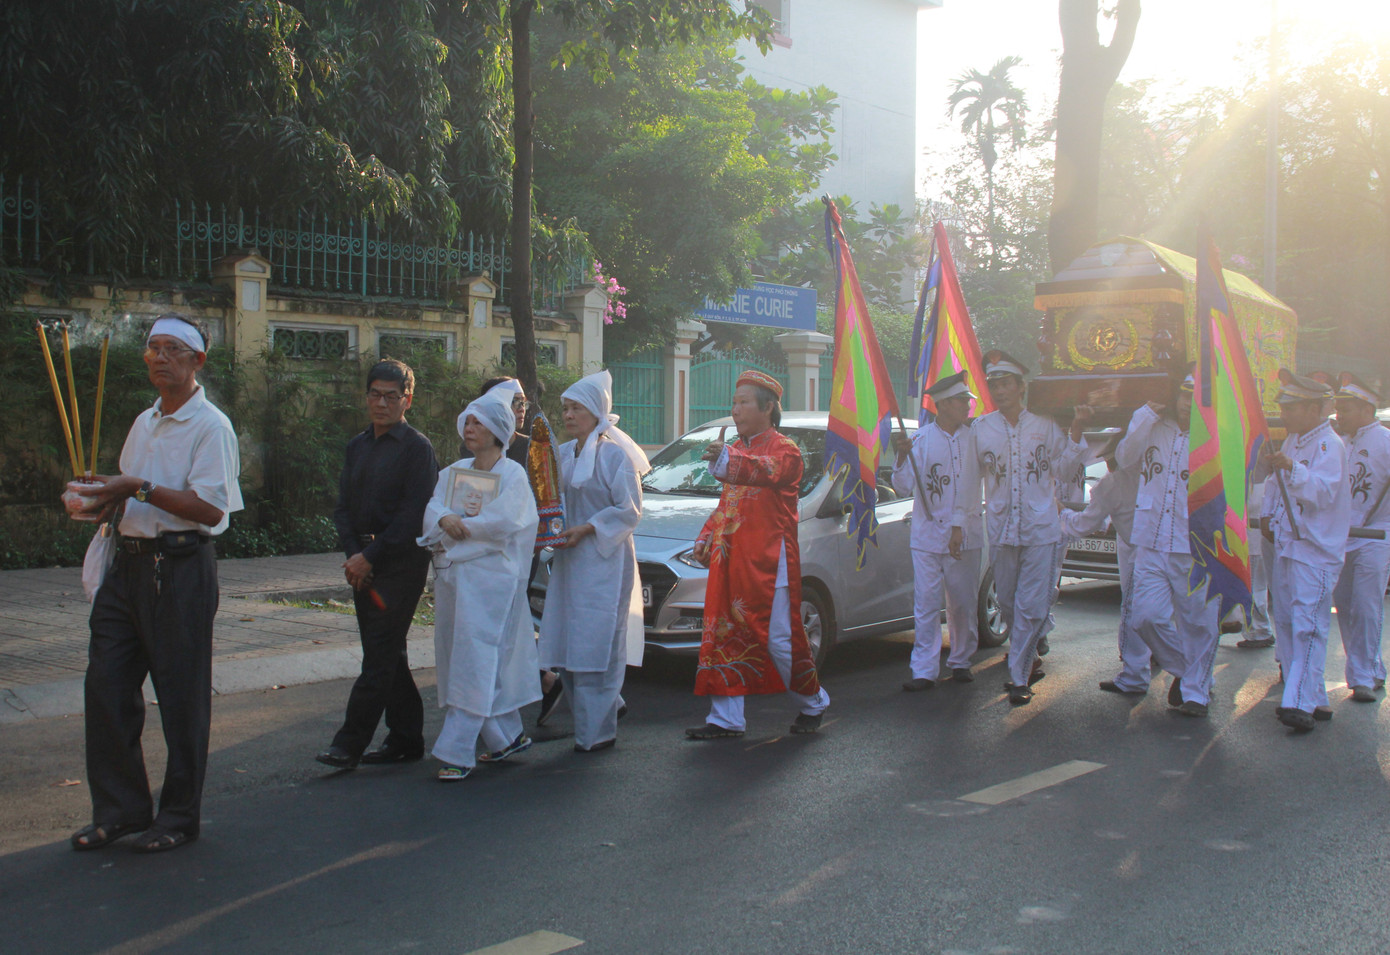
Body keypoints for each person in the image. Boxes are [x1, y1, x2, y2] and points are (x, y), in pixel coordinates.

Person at [69, 315, 243, 853]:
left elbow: (210, 508)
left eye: (172, 348)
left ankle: (178, 816)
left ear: (198, 361)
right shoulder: (144, 421)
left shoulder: (211, 426)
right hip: (128, 567)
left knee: (181, 697)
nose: (159, 357)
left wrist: (138, 487)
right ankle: (121, 810)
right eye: (153, 347)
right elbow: (128, 495)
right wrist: (98, 499)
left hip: (181, 568)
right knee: (106, 687)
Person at [685, 370, 831, 738]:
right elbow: (728, 504)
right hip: (732, 559)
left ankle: (814, 702)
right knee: (724, 632)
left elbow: (764, 472)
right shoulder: (740, 448)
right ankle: (726, 718)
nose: (735, 410)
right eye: (734, 403)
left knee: (780, 638)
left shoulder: (785, 450)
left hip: (768, 562)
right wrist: (706, 536)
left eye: (743, 402)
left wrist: (728, 457)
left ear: (767, 408)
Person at [317, 360, 438, 769]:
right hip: (363, 563)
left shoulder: (417, 449)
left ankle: (348, 743)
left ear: (408, 400)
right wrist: (355, 555)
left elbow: (413, 515)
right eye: (375, 394)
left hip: (400, 563)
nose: (381, 403)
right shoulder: (358, 446)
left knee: (380, 652)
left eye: (391, 396)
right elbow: (343, 509)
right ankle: (406, 738)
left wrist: (370, 556)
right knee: (386, 651)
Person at [420, 389, 541, 780]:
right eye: (467, 421)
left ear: (498, 429)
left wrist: (462, 528)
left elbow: (507, 521)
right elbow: (434, 505)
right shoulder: (454, 471)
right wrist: (444, 520)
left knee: (476, 658)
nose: (470, 428)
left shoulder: (513, 475)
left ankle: (456, 750)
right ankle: (506, 736)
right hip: (455, 578)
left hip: (492, 582)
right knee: (462, 656)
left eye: (479, 422)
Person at [537, 370, 648, 752]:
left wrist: (588, 528)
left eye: (577, 408)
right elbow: (551, 501)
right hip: (570, 563)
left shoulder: (615, 455)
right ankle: (603, 711)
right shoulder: (564, 454)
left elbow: (629, 510)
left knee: (598, 645)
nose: (568, 415)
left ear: (596, 412)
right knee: (568, 644)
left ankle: (597, 733)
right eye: (566, 408)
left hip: (604, 561)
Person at [972, 350, 1090, 706]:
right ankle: (1029, 649)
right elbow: (968, 475)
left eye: (1006, 384)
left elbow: (1065, 470)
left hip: (1041, 528)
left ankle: (1019, 677)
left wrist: (1077, 430)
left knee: (1031, 604)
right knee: (1008, 601)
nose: (1000, 391)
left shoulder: (1044, 424)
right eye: (994, 385)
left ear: (1021, 387)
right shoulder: (981, 429)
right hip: (1002, 529)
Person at [1115, 373, 1221, 717]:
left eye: (1196, 398)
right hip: (1151, 540)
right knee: (1144, 617)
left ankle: (1195, 695)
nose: (1188, 404)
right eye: (1185, 396)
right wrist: (1144, 414)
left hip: (1195, 546)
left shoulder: (1216, 437)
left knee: (1198, 625)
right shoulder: (1153, 426)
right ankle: (1191, 673)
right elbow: (1125, 457)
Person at [1264, 370, 1351, 731]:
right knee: (1287, 621)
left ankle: (1298, 702)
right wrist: (1267, 514)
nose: (1284, 414)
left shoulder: (1329, 444)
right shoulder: (1294, 440)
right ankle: (1313, 696)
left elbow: (1323, 493)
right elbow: (1275, 483)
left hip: (1315, 549)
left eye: (1291, 408)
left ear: (1314, 409)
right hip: (1290, 543)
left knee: (1308, 627)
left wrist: (1294, 469)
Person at [889, 372, 983, 690]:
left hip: (966, 533)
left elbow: (977, 486)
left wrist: (960, 524)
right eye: (961, 401)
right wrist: (902, 456)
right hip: (927, 535)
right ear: (942, 405)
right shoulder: (921, 439)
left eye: (968, 400)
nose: (968, 406)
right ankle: (924, 670)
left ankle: (961, 660)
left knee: (963, 601)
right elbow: (903, 486)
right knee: (926, 603)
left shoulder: (974, 439)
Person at [1059, 431, 1148, 694]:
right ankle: (1191, 675)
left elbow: (1083, 524)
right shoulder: (1153, 475)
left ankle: (1137, 674)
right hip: (1168, 549)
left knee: (1134, 610)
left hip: (1141, 552)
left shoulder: (1112, 483)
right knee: (1169, 614)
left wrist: (1061, 512)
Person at [1331, 372, 1389, 702]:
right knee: (1345, 605)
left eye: (1346, 409)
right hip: (1340, 537)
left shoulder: (1385, 441)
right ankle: (1370, 667)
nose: (1339, 415)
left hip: (1377, 536)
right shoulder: (1338, 442)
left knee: (1367, 606)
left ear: (1367, 410)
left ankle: (1362, 676)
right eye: (1338, 409)